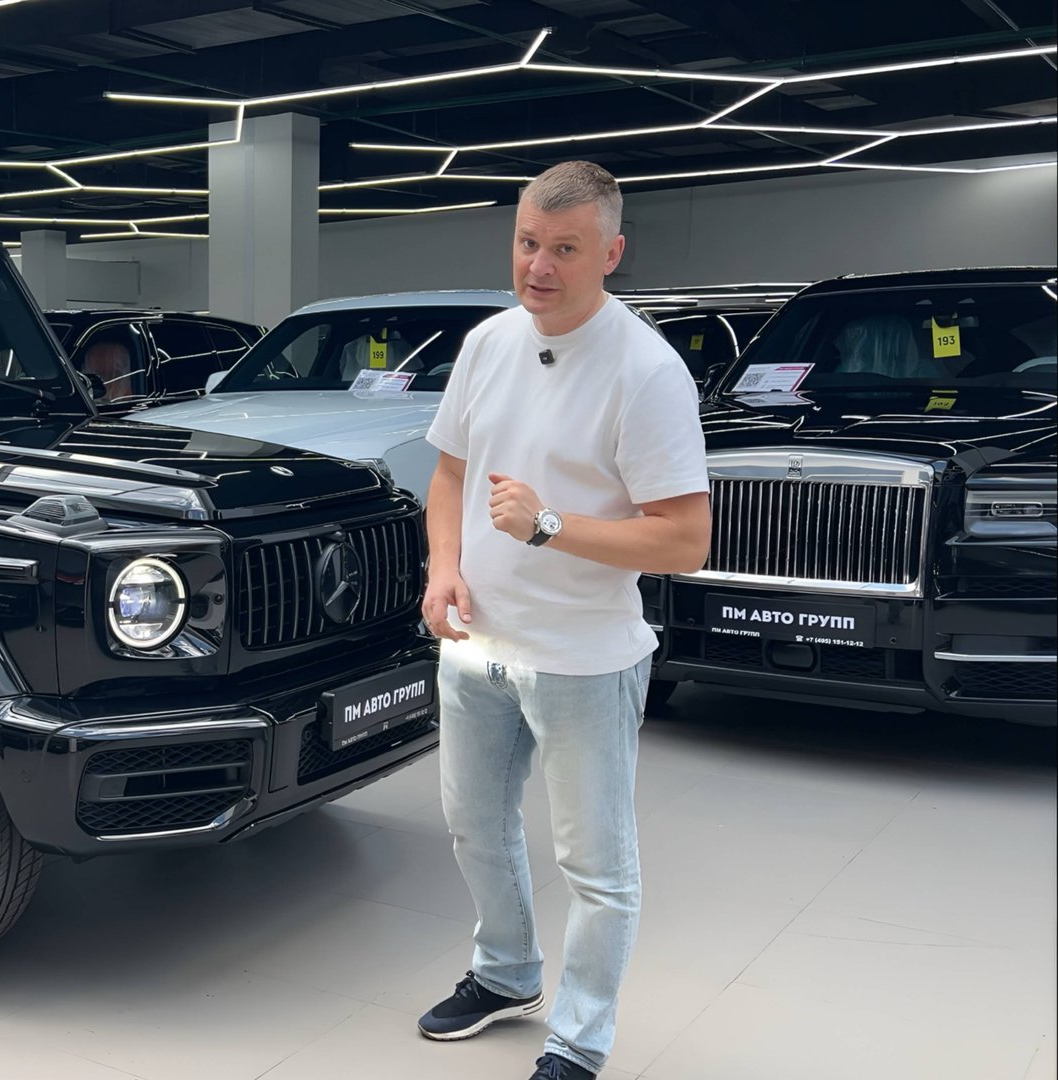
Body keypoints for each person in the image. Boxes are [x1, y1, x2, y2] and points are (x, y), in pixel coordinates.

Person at [415, 160, 712, 1080]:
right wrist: (443, 567)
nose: (538, 267)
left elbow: (684, 539)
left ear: (611, 254)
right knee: (475, 827)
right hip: (478, 647)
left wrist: (549, 526)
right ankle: (505, 975)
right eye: (527, 243)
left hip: (585, 659)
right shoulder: (487, 343)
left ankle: (579, 1038)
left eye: (566, 250)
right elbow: (450, 475)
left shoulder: (646, 371)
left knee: (595, 866)